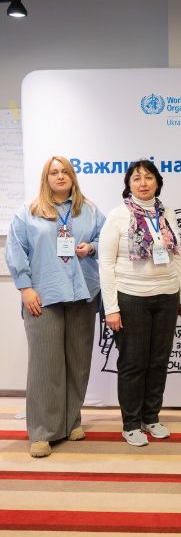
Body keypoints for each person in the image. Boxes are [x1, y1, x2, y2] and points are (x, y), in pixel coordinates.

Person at [5, 156, 104, 458]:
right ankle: (42, 431)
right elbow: (16, 250)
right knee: (45, 366)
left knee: (77, 363)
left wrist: (92, 247)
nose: (60, 176)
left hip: (83, 294)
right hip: (43, 296)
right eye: (54, 172)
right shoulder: (29, 212)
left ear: (72, 177)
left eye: (65, 172)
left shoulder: (89, 210)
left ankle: (71, 421)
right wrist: (25, 288)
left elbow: (106, 239)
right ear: (46, 178)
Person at [99, 159, 181, 447]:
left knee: (158, 361)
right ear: (128, 184)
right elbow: (105, 264)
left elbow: (176, 256)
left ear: (157, 183)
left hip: (166, 296)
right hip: (131, 297)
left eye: (149, 177)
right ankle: (130, 423)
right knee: (133, 363)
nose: (143, 183)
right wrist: (111, 308)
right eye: (137, 178)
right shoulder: (118, 216)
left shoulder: (167, 213)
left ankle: (151, 417)